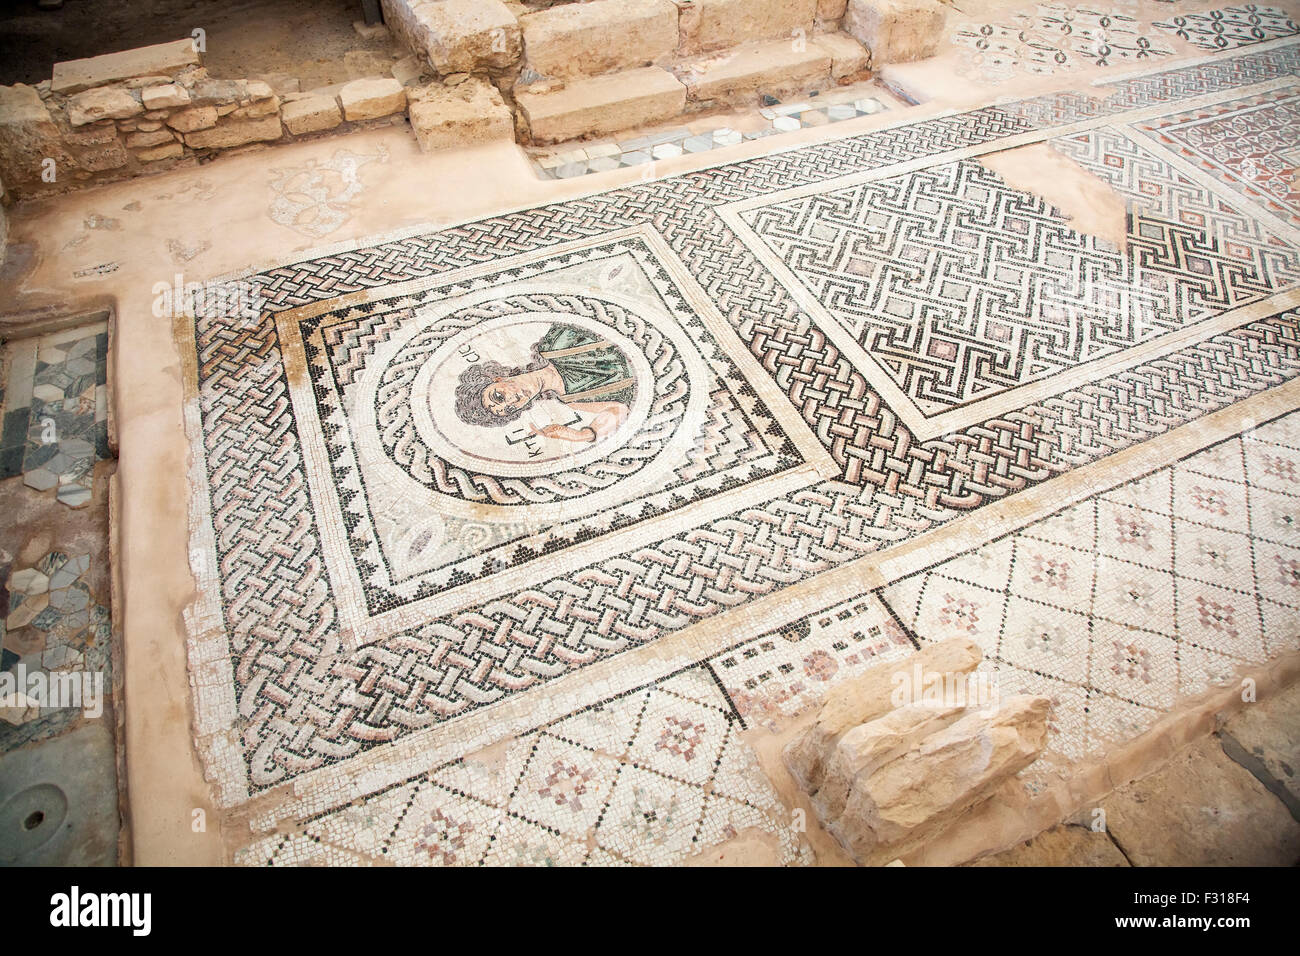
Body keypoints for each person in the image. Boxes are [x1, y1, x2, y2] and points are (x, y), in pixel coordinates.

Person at [453, 323, 635, 444]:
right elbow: (619, 409)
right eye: (510, 409)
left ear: (496, 378)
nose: (512, 401)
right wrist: (579, 435)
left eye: (499, 396)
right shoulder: (572, 400)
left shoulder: (553, 346)